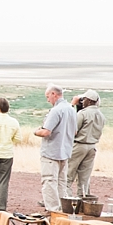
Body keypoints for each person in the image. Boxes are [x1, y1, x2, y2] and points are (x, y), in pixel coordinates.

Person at [33, 83, 78, 212]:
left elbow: (46, 132)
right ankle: (62, 209)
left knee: (49, 181)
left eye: (48, 96)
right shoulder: (71, 109)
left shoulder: (56, 110)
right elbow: (75, 132)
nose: (48, 100)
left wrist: (36, 132)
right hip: (65, 151)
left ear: (54, 94)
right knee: (61, 182)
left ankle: (53, 209)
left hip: (51, 152)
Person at [67, 89, 107, 197]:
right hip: (92, 147)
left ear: (88, 101)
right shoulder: (101, 115)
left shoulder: (83, 114)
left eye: (83, 99)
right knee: (84, 178)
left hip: (79, 145)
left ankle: (66, 200)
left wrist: (73, 105)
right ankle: (83, 201)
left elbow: (73, 130)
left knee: (68, 175)